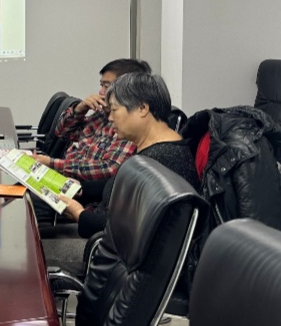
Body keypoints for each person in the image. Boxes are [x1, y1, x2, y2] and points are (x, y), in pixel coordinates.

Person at [58, 73, 200, 238]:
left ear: (142, 108)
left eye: (114, 110)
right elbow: (121, 186)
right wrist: (81, 189)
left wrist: (79, 214)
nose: (110, 118)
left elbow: (128, 232)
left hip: (104, 244)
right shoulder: (153, 150)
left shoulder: (161, 162)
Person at [33, 58, 152, 187]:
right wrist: (80, 109)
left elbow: (109, 168)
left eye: (106, 86)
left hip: (83, 189)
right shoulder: (101, 115)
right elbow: (62, 133)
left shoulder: (128, 125)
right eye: (101, 85)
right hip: (66, 178)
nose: (101, 92)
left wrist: (52, 164)